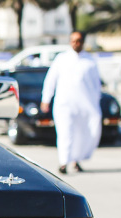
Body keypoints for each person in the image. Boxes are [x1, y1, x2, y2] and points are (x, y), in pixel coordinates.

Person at [41, 30, 102, 174]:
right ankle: (63, 162)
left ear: (83, 42)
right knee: (65, 133)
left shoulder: (90, 61)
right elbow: (51, 80)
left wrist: (96, 102)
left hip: (84, 105)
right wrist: (46, 99)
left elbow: (96, 85)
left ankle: (76, 160)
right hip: (64, 104)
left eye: (79, 40)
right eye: (73, 40)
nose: (76, 43)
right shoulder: (61, 59)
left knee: (82, 133)